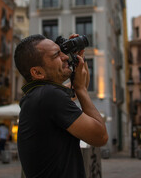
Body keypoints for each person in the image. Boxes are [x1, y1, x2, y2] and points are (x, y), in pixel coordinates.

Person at [14, 34, 108, 178]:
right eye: (56, 55)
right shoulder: (49, 96)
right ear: (37, 72)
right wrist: (82, 90)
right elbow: (100, 137)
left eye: (62, 51)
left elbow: (76, 88)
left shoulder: (37, 96)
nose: (65, 57)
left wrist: (79, 61)